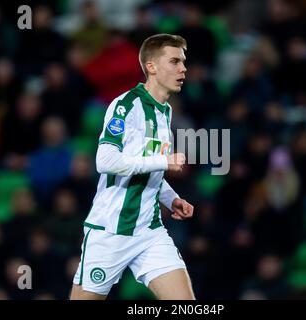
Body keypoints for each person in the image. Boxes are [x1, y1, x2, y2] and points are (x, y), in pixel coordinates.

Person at [70, 34, 195, 300]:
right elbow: (105, 161)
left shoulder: (165, 111)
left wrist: (171, 199)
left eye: (183, 61)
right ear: (151, 67)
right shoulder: (126, 106)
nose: (183, 68)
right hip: (110, 231)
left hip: (149, 231)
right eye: (174, 61)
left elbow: (148, 168)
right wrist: (164, 161)